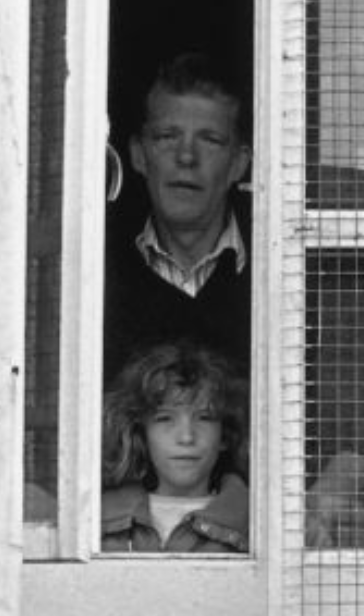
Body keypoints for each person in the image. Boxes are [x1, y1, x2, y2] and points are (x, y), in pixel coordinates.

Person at [104, 52, 252, 382]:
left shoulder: (276, 265)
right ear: (139, 155)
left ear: (239, 164)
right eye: (167, 137)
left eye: (210, 140)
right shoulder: (97, 268)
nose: (186, 157)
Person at [101, 341, 249, 552]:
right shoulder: (96, 520)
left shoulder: (256, 523)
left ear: (225, 435)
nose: (187, 437)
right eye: (164, 419)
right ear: (141, 433)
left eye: (204, 418)